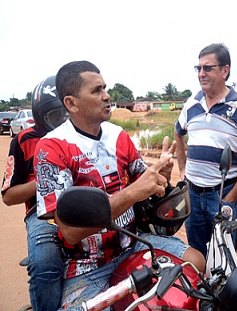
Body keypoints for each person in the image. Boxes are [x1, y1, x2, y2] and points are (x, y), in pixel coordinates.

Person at [33, 60, 206, 310]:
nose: (107, 96)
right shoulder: (52, 147)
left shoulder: (118, 136)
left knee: (195, 261)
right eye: (96, 91)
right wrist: (132, 193)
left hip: (134, 242)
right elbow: (70, 231)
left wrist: (161, 178)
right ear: (71, 103)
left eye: (105, 88)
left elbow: (145, 186)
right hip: (87, 266)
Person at [174, 43, 237, 257]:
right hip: (192, 194)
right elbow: (178, 132)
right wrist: (183, 171)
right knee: (196, 254)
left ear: (225, 70)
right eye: (199, 68)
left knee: (223, 257)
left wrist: (232, 197)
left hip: (221, 195)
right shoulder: (191, 104)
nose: (201, 74)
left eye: (208, 68)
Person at [1, 75, 68, 311]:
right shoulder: (23, 141)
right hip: (43, 213)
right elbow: (8, 196)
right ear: (40, 116)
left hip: (86, 207)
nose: (62, 122)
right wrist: (46, 180)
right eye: (55, 116)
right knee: (45, 265)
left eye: (66, 114)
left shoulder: (84, 133)